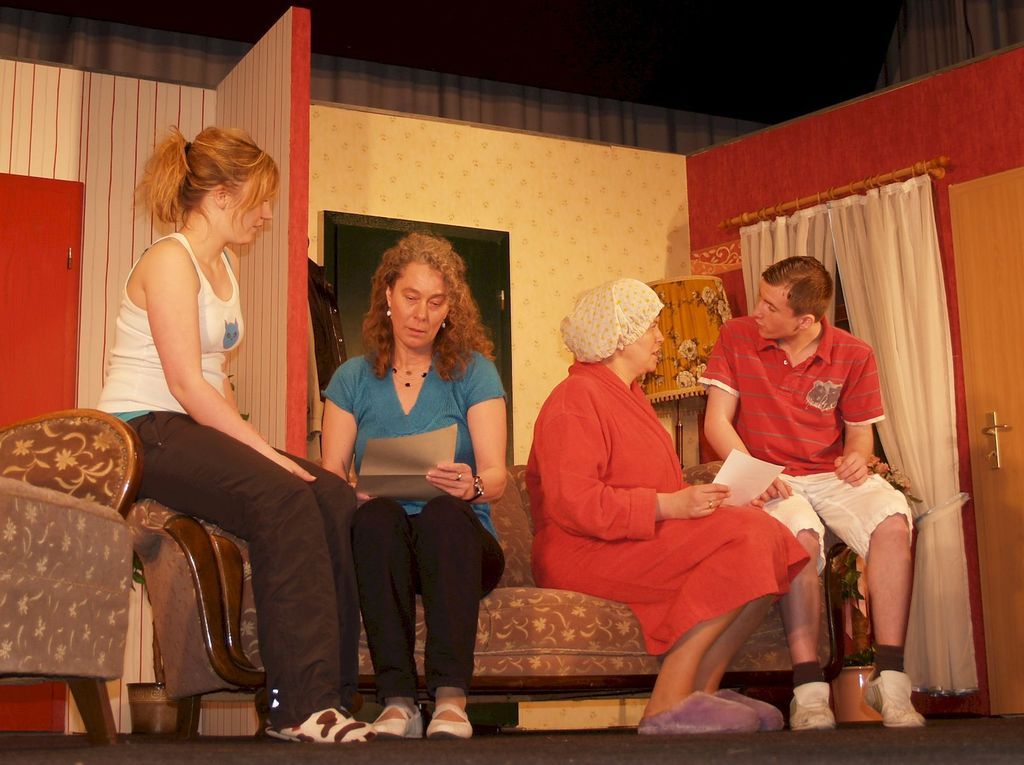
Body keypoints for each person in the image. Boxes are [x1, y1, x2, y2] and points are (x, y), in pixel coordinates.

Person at [96, 127, 373, 744]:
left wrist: (267, 451)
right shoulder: (170, 260)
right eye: (261, 198)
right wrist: (269, 459)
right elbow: (185, 384)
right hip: (142, 430)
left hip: (185, 422)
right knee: (284, 496)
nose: (268, 214)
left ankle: (333, 698)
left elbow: (216, 382)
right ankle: (296, 707)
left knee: (329, 494)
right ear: (221, 196)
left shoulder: (224, 265)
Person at [526, 278, 809, 735]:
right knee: (751, 537)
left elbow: (667, 493)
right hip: (583, 549)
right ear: (620, 336)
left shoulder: (632, 397)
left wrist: (723, 498)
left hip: (634, 536)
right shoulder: (575, 398)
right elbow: (573, 504)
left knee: (773, 539)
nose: (661, 338)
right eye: (651, 328)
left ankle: (703, 693)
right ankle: (667, 703)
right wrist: (668, 505)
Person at [701, 255, 924, 730]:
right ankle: (808, 691)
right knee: (798, 536)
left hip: (829, 476)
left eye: (769, 306)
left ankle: (891, 678)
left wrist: (857, 456)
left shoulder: (854, 354)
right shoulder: (736, 336)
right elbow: (717, 421)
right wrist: (754, 471)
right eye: (760, 299)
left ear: (805, 320)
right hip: (770, 474)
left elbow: (859, 434)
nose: (756, 312)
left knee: (892, 516)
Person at [321, 232, 507, 740]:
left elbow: (497, 476)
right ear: (388, 295)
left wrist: (471, 485)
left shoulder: (475, 372)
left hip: (460, 544)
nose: (421, 314)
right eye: (410, 297)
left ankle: (451, 701)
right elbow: (331, 472)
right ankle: (399, 701)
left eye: (436, 302)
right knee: (376, 519)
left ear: (450, 309)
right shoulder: (352, 379)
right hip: (386, 547)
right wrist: (351, 493)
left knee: (444, 515)